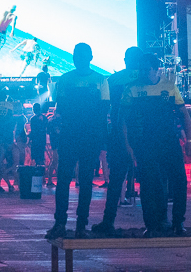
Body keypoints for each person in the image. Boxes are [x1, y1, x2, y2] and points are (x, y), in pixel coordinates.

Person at [120, 52, 191, 236]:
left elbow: (184, 114)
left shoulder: (169, 87)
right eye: (141, 70)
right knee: (149, 184)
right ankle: (152, 225)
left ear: (156, 69)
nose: (143, 73)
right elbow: (123, 119)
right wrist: (128, 145)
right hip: (145, 143)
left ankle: (178, 222)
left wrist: (190, 140)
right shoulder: (132, 89)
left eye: (146, 69)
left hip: (169, 141)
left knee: (179, 181)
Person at [46, 42, 109, 239]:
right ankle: (61, 223)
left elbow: (104, 111)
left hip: (87, 137)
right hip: (71, 136)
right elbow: (61, 108)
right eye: (76, 55)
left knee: (84, 181)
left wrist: (99, 139)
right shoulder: (65, 79)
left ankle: (81, 224)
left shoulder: (100, 80)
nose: (78, 59)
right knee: (65, 179)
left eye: (81, 55)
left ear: (90, 58)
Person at [92, 45, 142, 235]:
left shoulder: (113, 79)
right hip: (143, 132)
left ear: (125, 60)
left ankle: (108, 221)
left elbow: (104, 106)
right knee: (152, 177)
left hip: (118, 132)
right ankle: (156, 221)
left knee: (115, 179)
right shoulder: (146, 78)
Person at [29, 103, 48, 168]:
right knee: (40, 156)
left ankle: (38, 170)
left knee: (37, 158)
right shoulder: (44, 118)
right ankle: (41, 170)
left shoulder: (33, 119)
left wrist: (30, 139)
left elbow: (33, 130)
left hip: (36, 140)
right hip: (41, 140)